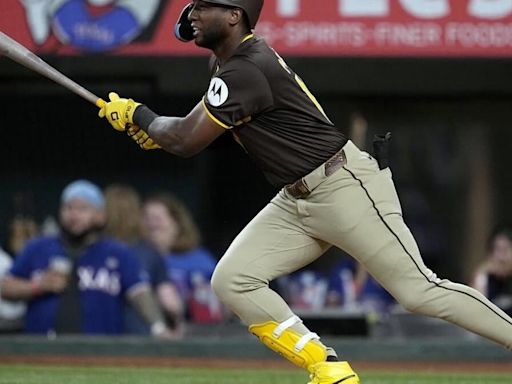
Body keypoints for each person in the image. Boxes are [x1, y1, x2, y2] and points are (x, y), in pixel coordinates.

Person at [96, 1, 512, 382]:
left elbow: (186, 140)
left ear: (234, 16)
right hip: (296, 199)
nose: (193, 15)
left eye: (206, 7)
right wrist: (155, 130)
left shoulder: (246, 68)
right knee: (233, 279)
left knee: (420, 291)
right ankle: (326, 367)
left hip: (344, 186)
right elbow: (194, 129)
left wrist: (143, 116)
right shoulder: (227, 66)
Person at [0, 180, 171, 337]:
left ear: (100, 215)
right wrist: (37, 286)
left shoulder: (118, 252)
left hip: (100, 351)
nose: (74, 216)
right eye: (68, 208)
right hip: (41, 349)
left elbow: (140, 293)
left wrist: (159, 328)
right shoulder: (38, 247)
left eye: (83, 209)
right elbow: (5, 287)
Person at [103, 184, 184, 335]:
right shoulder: (148, 252)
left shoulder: (92, 250)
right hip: (141, 340)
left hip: (96, 339)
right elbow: (171, 305)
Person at [141, 192, 222, 324]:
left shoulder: (200, 260)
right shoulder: (136, 258)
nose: (151, 224)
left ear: (176, 223)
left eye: (157, 218)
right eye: (146, 218)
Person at [471, 226, 512, 317]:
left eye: (505, 250)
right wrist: (481, 275)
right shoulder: (484, 276)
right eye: (497, 250)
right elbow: (476, 311)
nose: (501, 257)